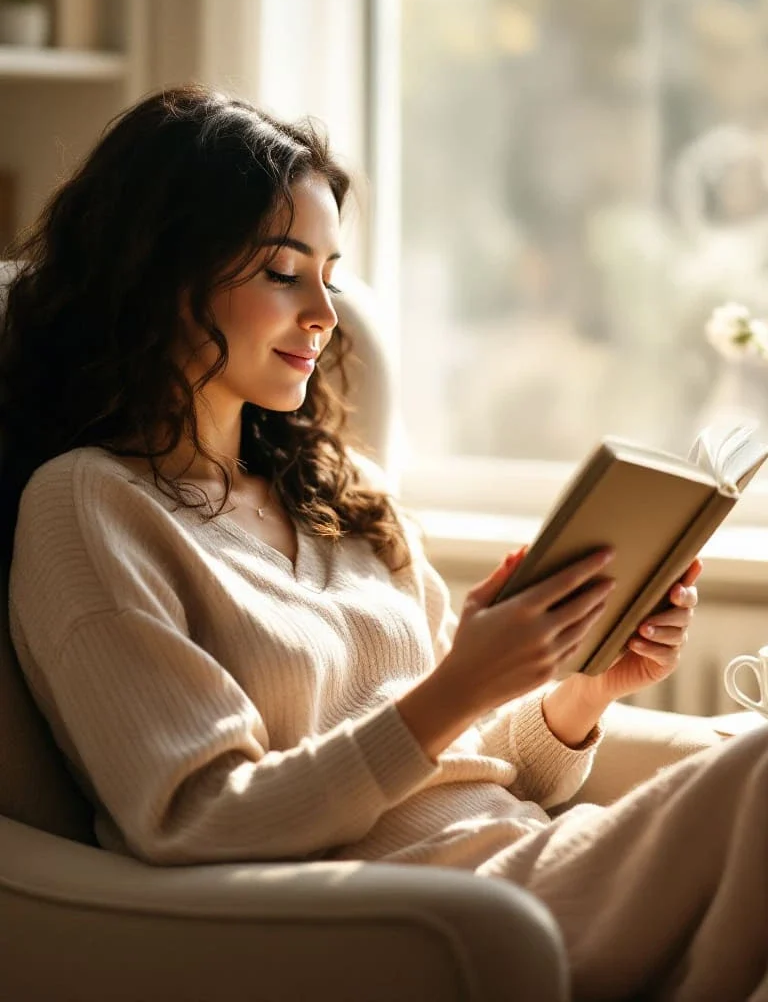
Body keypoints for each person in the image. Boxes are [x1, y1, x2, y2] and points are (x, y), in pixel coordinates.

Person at [0, 85, 765, 1002]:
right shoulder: (90, 505)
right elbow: (193, 817)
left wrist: (580, 690)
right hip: (409, 916)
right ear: (160, 273)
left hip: (521, 857)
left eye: (330, 272)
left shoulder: (339, 492)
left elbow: (484, 753)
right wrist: (461, 684)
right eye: (285, 273)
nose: (325, 313)